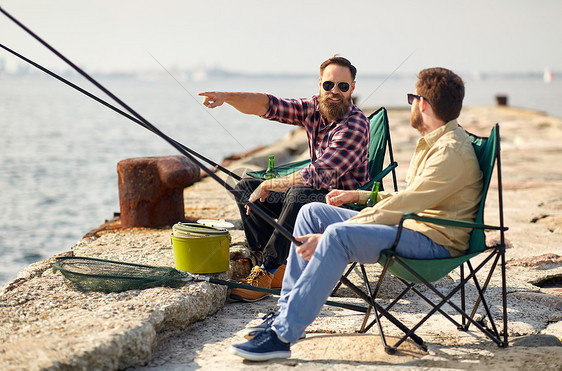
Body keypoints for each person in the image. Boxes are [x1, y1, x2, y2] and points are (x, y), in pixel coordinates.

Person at [230, 67, 484, 361]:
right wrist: (360, 196)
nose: (413, 104)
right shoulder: (436, 141)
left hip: (432, 240)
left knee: (336, 235)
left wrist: (330, 236)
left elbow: (405, 204)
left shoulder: (448, 151)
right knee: (312, 212)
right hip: (412, 226)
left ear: (423, 104)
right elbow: (411, 197)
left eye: (413, 98)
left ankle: (282, 335)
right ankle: (286, 315)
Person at [199, 56, 371, 302]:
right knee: (246, 187)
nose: (334, 92)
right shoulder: (313, 108)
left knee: (299, 193)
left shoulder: (355, 125)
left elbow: (321, 173)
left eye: (342, 86)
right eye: (328, 85)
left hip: (343, 205)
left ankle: (268, 267)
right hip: (316, 196)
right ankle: (270, 267)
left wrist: (270, 183)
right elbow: (268, 105)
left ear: (352, 88)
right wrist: (227, 97)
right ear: (319, 84)